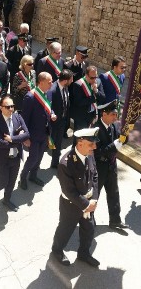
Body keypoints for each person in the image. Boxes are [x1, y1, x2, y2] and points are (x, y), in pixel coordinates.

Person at [52, 127, 100, 267]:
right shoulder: (65, 163)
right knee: (65, 230)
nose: (95, 147)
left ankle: (83, 253)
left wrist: (94, 199)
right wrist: (86, 205)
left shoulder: (89, 154)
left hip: (88, 203)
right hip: (71, 205)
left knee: (89, 229)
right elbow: (69, 191)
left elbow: (95, 176)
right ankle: (57, 250)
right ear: (80, 143)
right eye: (91, 144)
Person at [0, 95, 29, 211]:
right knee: (2, 182)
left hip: (15, 157)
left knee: (12, 182)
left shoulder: (18, 117)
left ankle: (7, 200)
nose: (11, 109)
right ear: (1, 108)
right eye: (8, 107)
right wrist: (18, 140)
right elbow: (0, 143)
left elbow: (26, 134)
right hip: (3, 159)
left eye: (12, 106)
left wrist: (12, 139)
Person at [94, 100, 129, 229]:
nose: (116, 117)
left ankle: (115, 220)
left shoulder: (113, 126)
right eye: (113, 114)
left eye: (116, 114)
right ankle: (89, 219)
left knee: (114, 192)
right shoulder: (95, 129)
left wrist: (125, 136)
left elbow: (121, 140)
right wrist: (114, 145)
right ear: (104, 114)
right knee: (94, 194)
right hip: (99, 166)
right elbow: (97, 151)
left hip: (111, 165)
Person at [19, 72, 55, 190]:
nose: (51, 84)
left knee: (39, 157)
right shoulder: (30, 97)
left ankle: (33, 176)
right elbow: (24, 119)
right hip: (33, 134)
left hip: (44, 132)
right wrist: (25, 137)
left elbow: (49, 107)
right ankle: (23, 177)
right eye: (49, 82)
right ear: (41, 82)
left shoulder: (48, 93)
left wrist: (52, 114)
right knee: (33, 158)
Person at [47, 69, 73, 168]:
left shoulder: (65, 87)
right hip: (54, 123)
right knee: (51, 142)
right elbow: (49, 104)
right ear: (65, 80)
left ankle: (55, 163)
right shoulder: (52, 90)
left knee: (58, 143)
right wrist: (52, 114)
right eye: (71, 80)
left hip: (62, 121)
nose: (72, 82)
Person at [73, 66, 105, 131]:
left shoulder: (98, 82)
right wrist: (94, 98)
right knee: (79, 138)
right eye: (92, 78)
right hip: (81, 116)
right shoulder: (78, 84)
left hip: (93, 114)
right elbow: (78, 102)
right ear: (86, 75)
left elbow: (103, 98)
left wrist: (96, 91)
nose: (94, 80)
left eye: (95, 77)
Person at [65, 45, 90, 119]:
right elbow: (66, 84)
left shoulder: (86, 63)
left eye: (85, 57)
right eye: (82, 57)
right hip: (72, 97)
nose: (84, 59)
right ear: (77, 54)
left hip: (82, 98)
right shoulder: (68, 65)